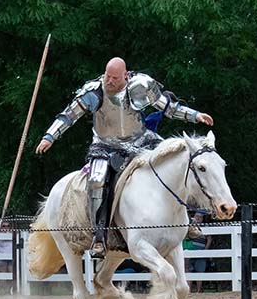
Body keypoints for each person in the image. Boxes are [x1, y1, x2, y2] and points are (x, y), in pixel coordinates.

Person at [35, 57, 214, 258]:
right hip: (105, 145)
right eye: (107, 76)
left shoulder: (141, 85)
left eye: (114, 78)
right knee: (96, 181)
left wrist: (195, 115)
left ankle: (186, 221)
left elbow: (168, 107)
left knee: (175, 161)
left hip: (141, 139)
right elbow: (69, 115)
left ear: (126, 76)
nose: (109, 81)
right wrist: (50, 136)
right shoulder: (93, 91)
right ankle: (100, 236)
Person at [183, 212, 212, 293]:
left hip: (201, 251)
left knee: (200, 271)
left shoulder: (205, 227)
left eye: (200, 217)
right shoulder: (189, 225)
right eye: (197, 216)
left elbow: (209, 239)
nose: (198, 218)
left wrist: (205, 250)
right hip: (189, 251)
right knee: (188, 270)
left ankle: (198, 291)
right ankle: (189, 291)